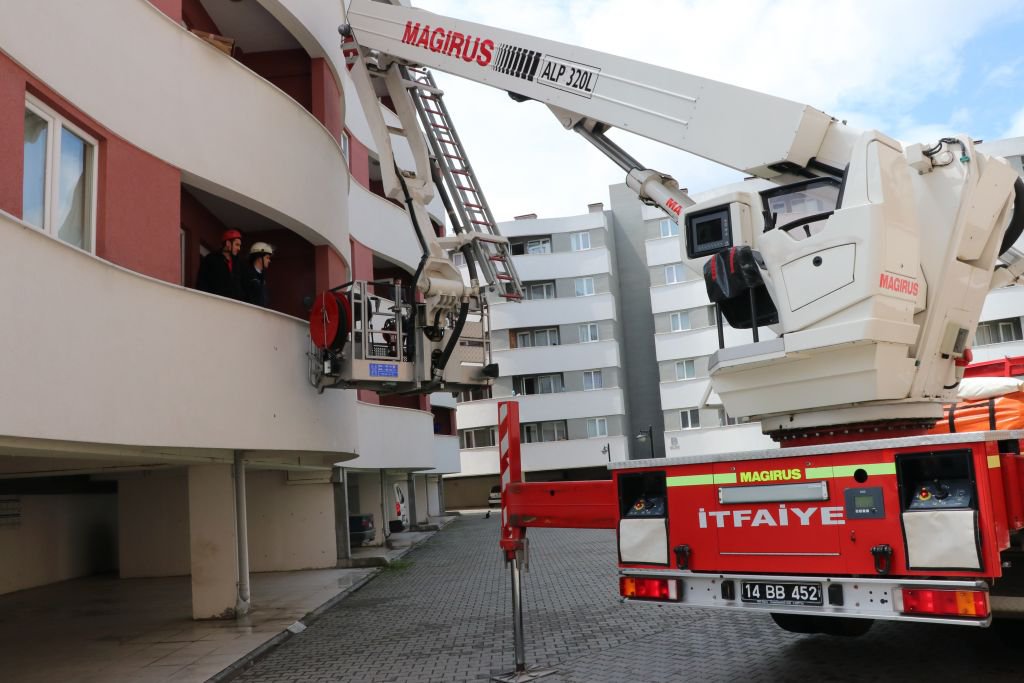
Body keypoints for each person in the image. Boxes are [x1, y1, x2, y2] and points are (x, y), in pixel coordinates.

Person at [196, 229, 243, 300]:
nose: (239, 248)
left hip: (233, 306)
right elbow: (202, 283)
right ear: (228, 243)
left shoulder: (238, 263)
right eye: (237, 245)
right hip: (215, 303)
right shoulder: (211, 259)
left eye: (239, 245)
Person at [242, 242, 274, 307]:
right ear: (259, 258)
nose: (269, 261)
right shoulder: (247, 274)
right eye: (267, 257)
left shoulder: (262, 277)